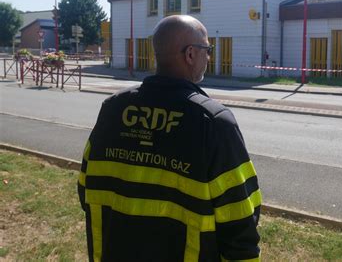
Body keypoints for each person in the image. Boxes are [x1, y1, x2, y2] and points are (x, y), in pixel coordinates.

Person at [78, 15, 261, 261]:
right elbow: (240, 222)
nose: (209, 57)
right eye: (207, 50)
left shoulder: (112, 109)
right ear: (190, 54)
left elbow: (85, 187)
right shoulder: (213, 122)